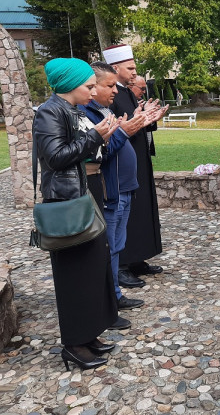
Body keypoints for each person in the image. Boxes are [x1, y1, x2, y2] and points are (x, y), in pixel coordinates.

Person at [33, 57, 121, 370]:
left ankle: (88, 334)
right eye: (88, 85)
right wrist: (95, 136)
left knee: (92, 267)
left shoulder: (67, 110)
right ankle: (74, 343)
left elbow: (75, 152)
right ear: (70, 85)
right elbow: (56, 158)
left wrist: (98, 137)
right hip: (64, 203)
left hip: (78, 196)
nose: (93, 89)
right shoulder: (49, 112)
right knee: (74, 276)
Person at [80, 62, 156, 311]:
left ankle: (114, 295)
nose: (115, 91)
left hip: (123, 187)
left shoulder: (103, 111)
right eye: (109, 86)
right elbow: (98, 153)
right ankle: (111, 296)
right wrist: (124, 131)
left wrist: (135, 124)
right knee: (109, 246)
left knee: (116, 245)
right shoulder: (87, 114)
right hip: (111, 189)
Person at [103, 44, 169, 287]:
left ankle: (139, 256)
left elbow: (136, 122)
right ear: (115, 67)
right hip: (121, 160)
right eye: (130, 68)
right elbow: (118, 126)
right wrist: (136, 121)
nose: (134, 72)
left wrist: (150, 119)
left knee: (140, 209)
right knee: (124, 214)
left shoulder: (127, 92)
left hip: (138, 159)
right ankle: (122, 264)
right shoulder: (111, 96)